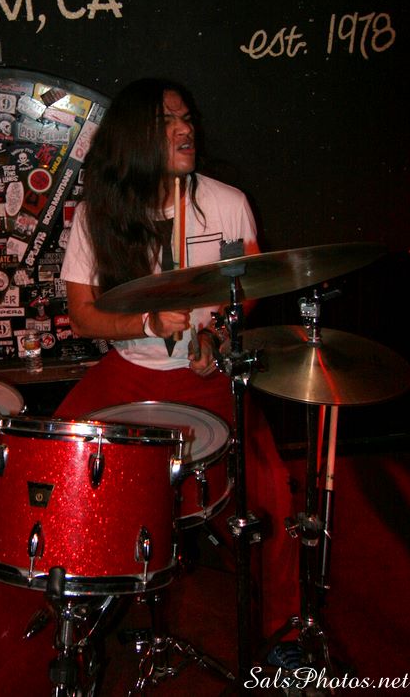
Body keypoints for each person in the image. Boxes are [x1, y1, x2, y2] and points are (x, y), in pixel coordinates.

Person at [56, 77, 298, 646]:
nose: (185, 129)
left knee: (270, 494)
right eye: (167, 122)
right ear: (134, 137)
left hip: (206, 376)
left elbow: (248, 287)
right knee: (57, 466)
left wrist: (216, 331)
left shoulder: (227, 203)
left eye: (186, 118)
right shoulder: (97, 215)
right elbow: (83, 317)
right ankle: (67, 620)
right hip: (129, 372)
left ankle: (283, 630)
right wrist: (145, 324)